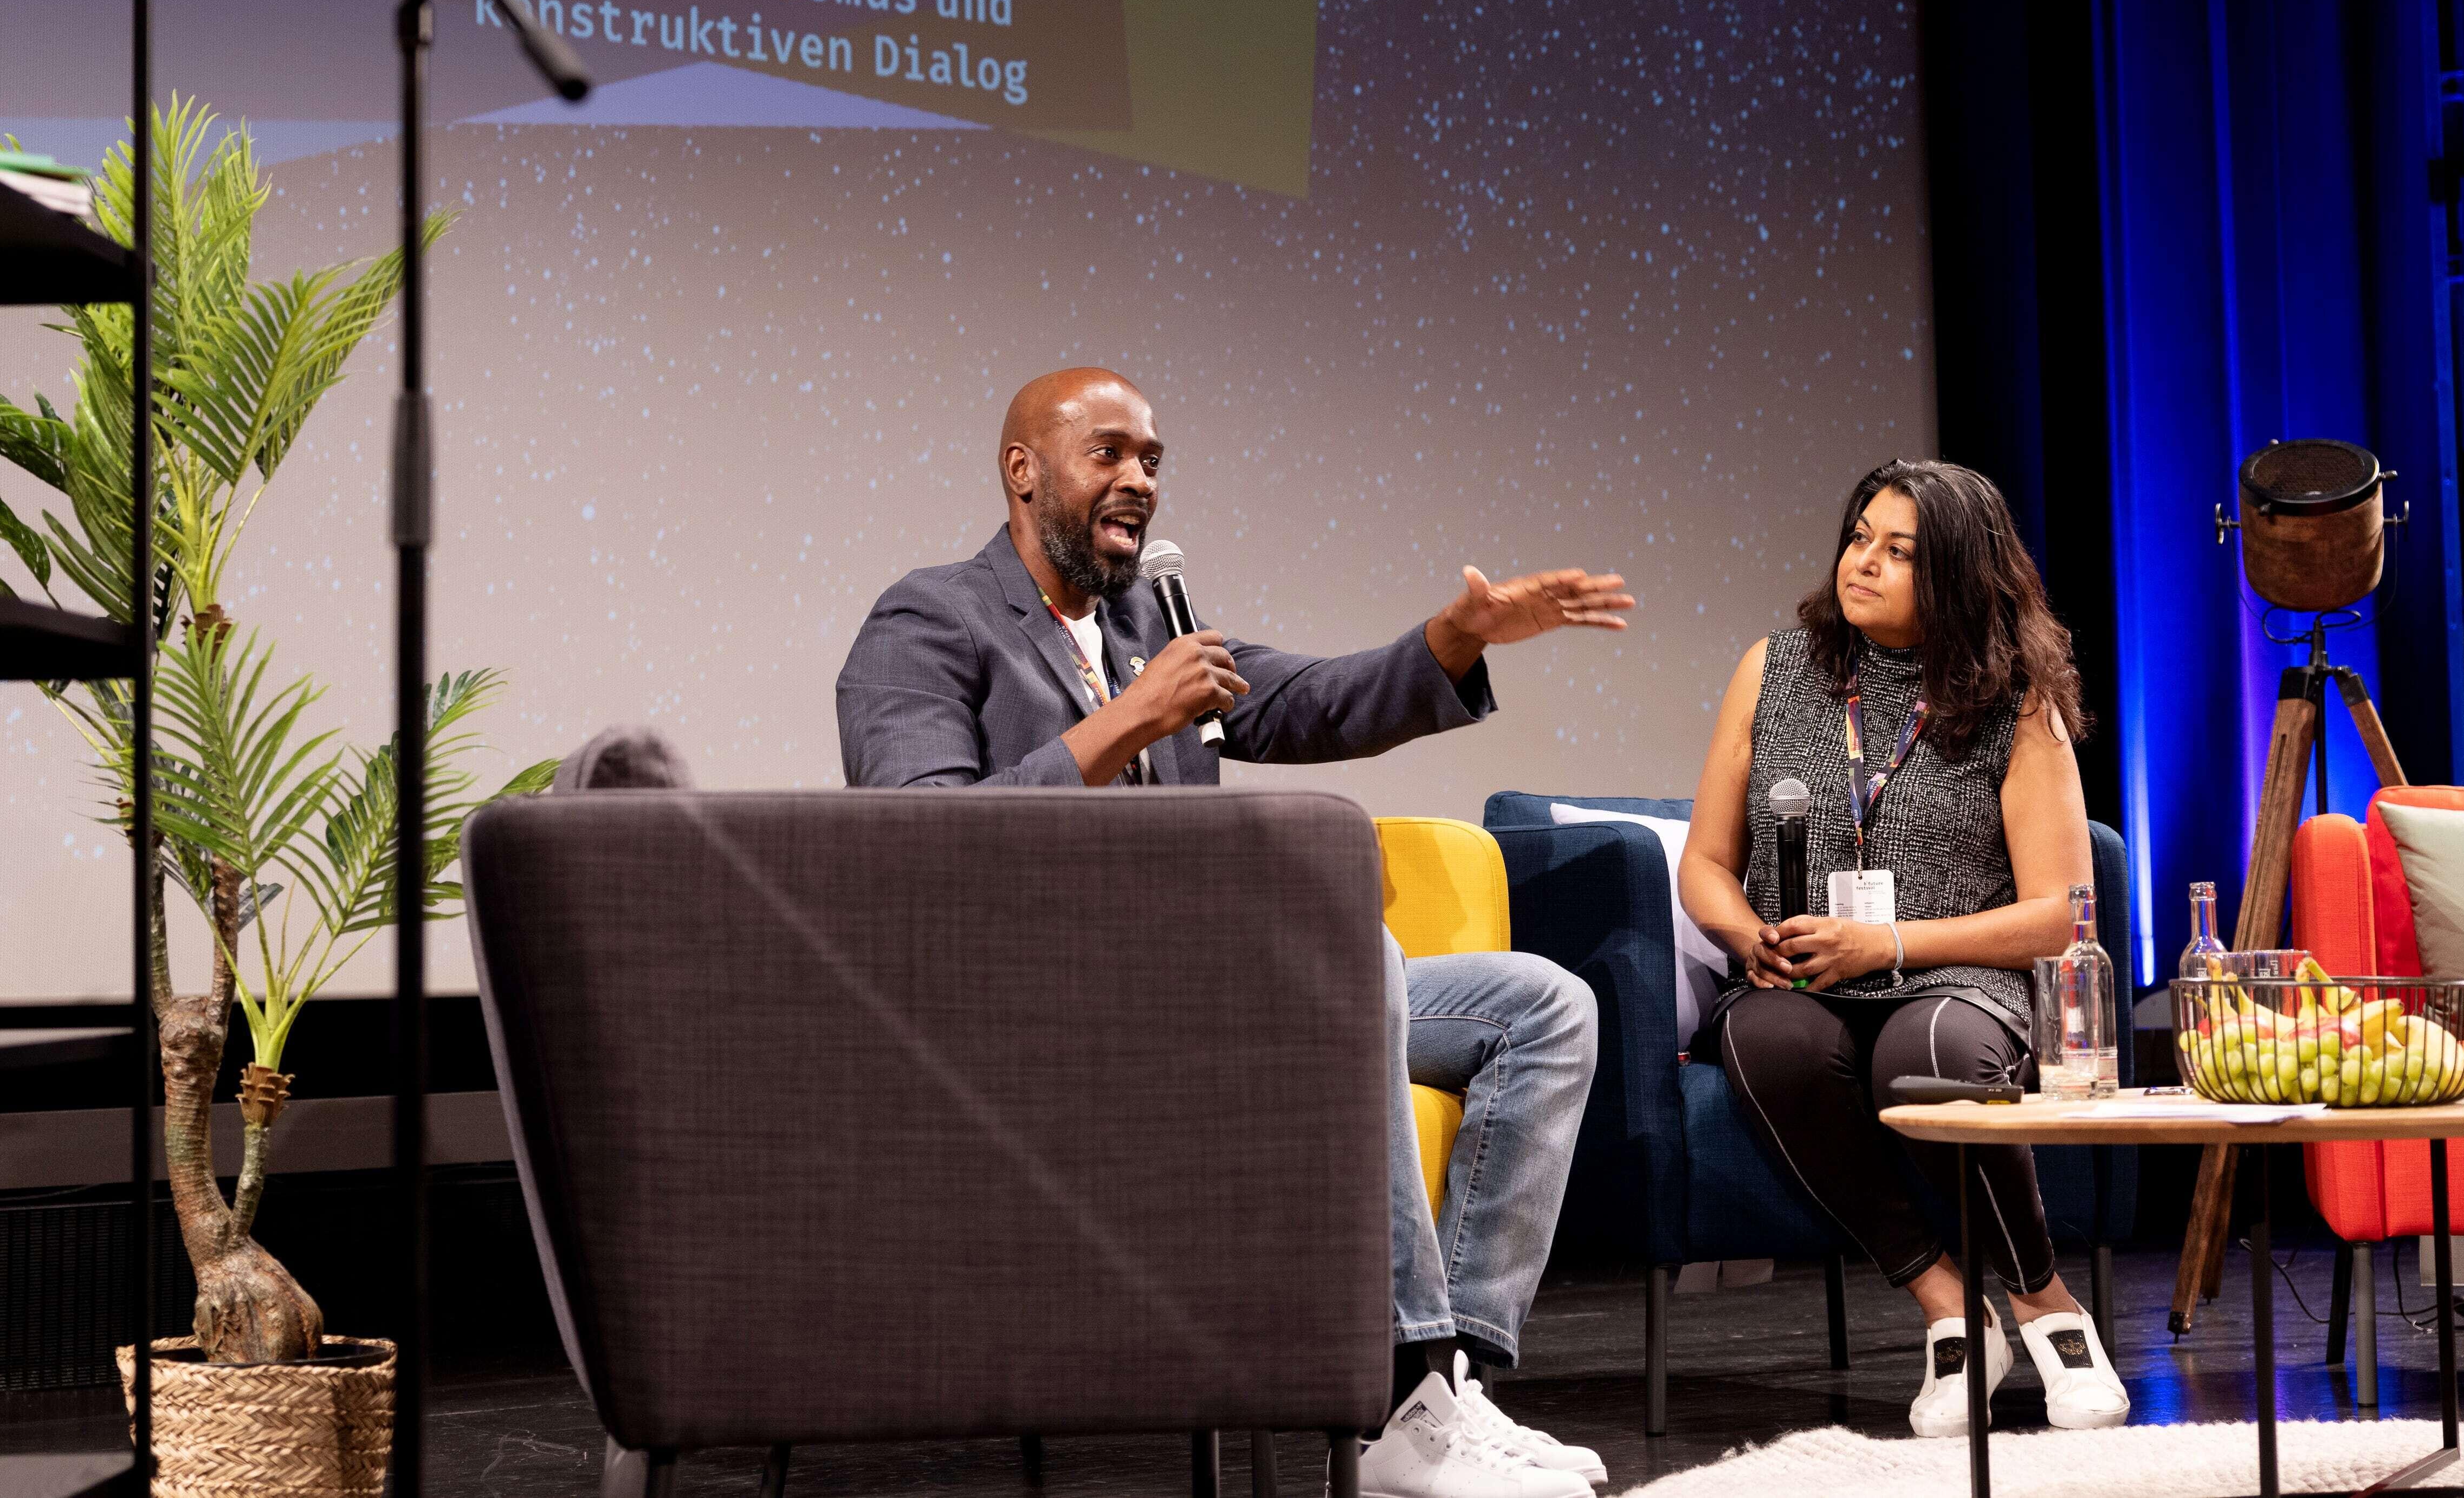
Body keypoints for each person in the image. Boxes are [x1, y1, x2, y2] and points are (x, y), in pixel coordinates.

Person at [838, 367, 1633, 1498]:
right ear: (1022, 470)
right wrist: (1130, 719)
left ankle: (1449, 1386)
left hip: (1201, 996)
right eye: (1108, 452)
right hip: (1036, 1013)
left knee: (1543, 1005)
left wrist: (1455, 637)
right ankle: (1396, 1383)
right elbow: (914, 842)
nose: (1138, 480)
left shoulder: (1144, 619)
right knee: (1356, 964)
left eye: (1152, 459)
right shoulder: (930, 618)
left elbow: (1314, 699)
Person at [1677, 459, 2130, 1436]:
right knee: (1764, 1041)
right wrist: (1745, 932)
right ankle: (1945, 1307)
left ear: (1962, 575)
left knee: (1925, 1056)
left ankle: (2046, 1305)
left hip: (1957, 975)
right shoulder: (1775, 667)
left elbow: (2060, 910)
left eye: (1900, 552)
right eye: (1858, 537)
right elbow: (1706, 863)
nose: (1864, 563)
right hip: (1800, 974)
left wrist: (1882, 941)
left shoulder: (2014, 697)